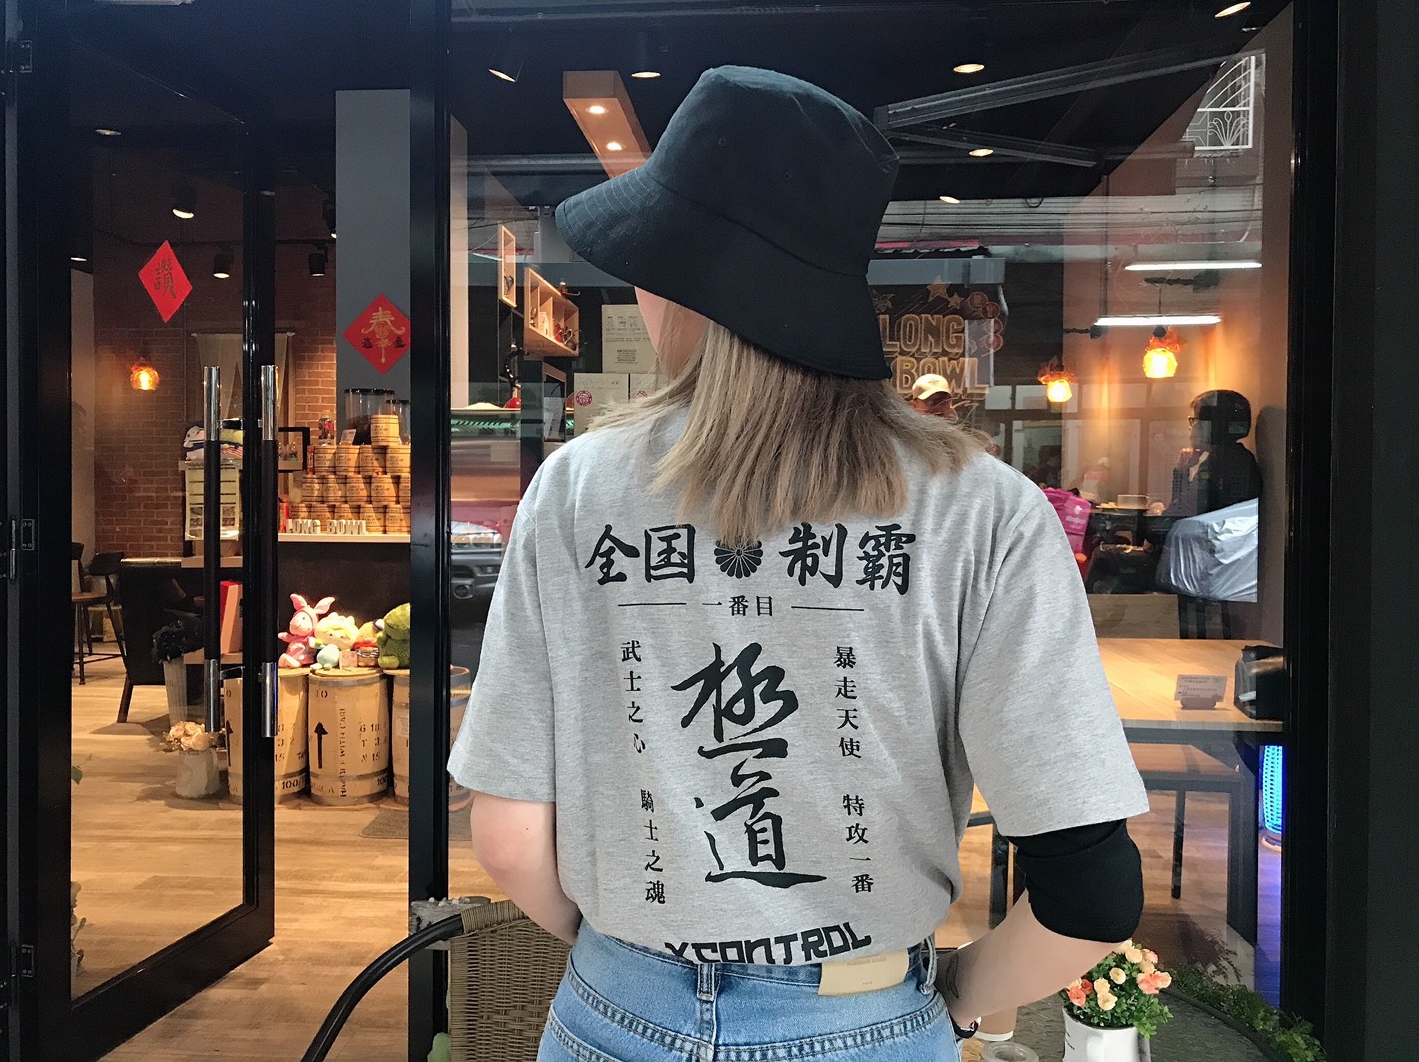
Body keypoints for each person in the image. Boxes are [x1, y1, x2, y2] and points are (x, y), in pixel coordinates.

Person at [449, 66, 1148, 1062]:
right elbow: (1091, 894)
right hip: (864, 1021)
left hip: (615, 1015)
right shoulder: (981, 510)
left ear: (683, 282)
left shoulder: (575, 489)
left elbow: (509, 837)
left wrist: (634, 962)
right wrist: (946, 1003)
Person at [1168, 389, 1261, 517]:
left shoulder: (1223, 461)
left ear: (1214, 425)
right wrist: (1182, 470)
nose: (1192, 427)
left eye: (1196, 420)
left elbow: (1179, 512)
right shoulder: (1233, 457)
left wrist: (1181, 472)